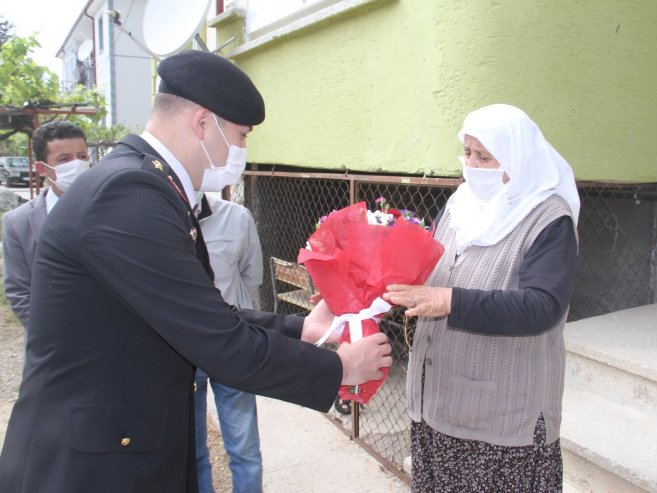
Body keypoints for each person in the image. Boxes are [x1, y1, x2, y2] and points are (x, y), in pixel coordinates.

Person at [0, 50, 392, 493]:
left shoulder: (150, 185)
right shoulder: (128, 194)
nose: (243, 150)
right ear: (203, 123)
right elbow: (219, 341)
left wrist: (302, 327)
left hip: (120, 447)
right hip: (88, 466)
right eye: (241, 136)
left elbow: (201, 313)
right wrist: (337, 368)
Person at [384, 104, 580, 492]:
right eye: (468, 153)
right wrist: (376, 283)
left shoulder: (548, 219)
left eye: (484, 156)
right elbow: (430, 265)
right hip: (438, 405)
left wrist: (450, 301)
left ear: (515, 159)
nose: (471, 165)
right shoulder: (461, 203)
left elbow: (542, 307)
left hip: (503, 423)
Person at [194, 192, 264, 493]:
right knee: (192, 449)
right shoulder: (156, 219)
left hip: (232, 346)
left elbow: (252, 277)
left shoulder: (236, 218)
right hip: (183, 350)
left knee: (245, 449)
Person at [2, 120, 89, 329]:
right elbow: (20, 293)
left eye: (82, 156)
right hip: (54, 344)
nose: (76, 164)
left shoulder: (112, 210)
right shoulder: (18, 223)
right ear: (42, 168)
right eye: (64, 159)